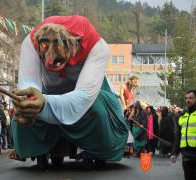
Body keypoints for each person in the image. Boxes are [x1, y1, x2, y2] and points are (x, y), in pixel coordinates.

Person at [11, 15, 128, 162]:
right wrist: (28, 102)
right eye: (45, 46)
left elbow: (82, 98)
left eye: (59, 46)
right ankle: (37, 148)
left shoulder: (98, 47)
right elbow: (29, 87)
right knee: (23, 112)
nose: (50, 59)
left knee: (98, 111)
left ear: (75, 44)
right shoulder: (30, 43)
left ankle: (96, 149)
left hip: (89, 92)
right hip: (50, 91)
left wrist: (43, 103)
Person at [170, 89, 196, 180]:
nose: (188, 100)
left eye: (191, 98)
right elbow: (179, 137)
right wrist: (174, 153)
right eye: (186, 98)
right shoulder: (183, 116)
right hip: (186, 156)